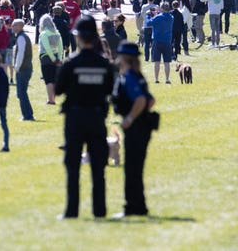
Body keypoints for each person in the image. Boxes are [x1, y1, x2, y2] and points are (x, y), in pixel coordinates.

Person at [55, 15, 114, 219]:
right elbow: (109, 88)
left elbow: (59, 90)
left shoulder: (72, 63)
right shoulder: (104, 63)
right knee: (98, 167)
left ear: (79, 37)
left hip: (75, 117)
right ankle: (100, 210)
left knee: (73, 166)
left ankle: (72, 211)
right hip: (97, 116)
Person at [112, 42, 156, 217]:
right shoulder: (138, 75)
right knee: (136, 169)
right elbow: (150, 100)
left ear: (125, 58)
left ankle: (132, 207)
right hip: (143, 127)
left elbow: (141, 100)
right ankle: (140, 206)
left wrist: (130, 118)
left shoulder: (129, 76)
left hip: (135, 128)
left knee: (132, 169)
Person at [12, 19, 34, 121]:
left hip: (23, 69)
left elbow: (20, 54)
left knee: (21, 93)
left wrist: (16, 67)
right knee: (22, 93)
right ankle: (28, 114)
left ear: (20, 27)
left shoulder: (21, 38)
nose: (12, 27)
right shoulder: (22, 37)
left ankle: (27, 115)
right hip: (26, 68)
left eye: (14, 25)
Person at [38, 14, 63, 105]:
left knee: (48, 80)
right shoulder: (57, 33)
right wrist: (59, 58)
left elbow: (46, 47)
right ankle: (53, 98)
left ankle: (50, 100)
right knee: (53, 79)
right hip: (56, 57)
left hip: (46, 57)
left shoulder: (44, 34)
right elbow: (61, 47)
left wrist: (52, 58)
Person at [146, 2, 174, 83]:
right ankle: (167, 79)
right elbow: (163, 17)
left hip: (157, 41)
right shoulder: (171, 17)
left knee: (157, 61)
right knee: (167, 62)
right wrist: (157, 14)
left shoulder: (158, 17)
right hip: (167, 41)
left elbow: (148, 23)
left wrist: (149, 15)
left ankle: (157, 79)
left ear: (161, 8)